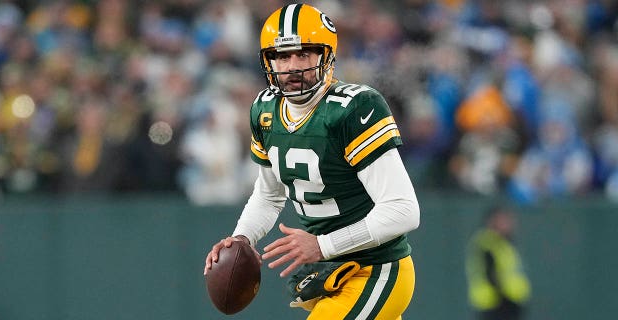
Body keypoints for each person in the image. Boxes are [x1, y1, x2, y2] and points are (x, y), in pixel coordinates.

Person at [203, 3, 420, 319]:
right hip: (332, 273)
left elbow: (403, 210)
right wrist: (242, 237)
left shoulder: (353, 109)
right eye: (283, 56)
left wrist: (323, 245)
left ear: (326, 56)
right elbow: (268, 196)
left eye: (304, 54)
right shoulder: (264, 111)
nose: (292, 66)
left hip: (377, 270)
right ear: (269, 61)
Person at [465, 205, 531, 320]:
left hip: (509, 304)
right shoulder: (487, 244)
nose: (508, 224)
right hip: (495, 304)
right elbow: (490, 274)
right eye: (503, 220)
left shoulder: (504, 243)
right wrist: (506, 299)